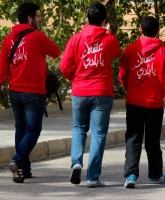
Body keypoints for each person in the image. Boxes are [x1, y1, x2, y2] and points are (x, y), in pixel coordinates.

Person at [0, 2, 60, 183]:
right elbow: (56, 51)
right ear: (29, 18)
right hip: (33, 92)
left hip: (15, 92)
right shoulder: (37, 36)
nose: (39, 18)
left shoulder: (9, 39)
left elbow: (2, 66)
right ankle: (17, 159)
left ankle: (24, 170)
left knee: (21, 129)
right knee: (33, 130)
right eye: (37, 16)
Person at [60, 2, 121, 188]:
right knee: (99, 134)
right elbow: (117, 54)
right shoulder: (109, 39)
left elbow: (64, 67)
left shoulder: (76, 39)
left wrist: (75, 78)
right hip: (102, 92)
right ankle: (93, 177)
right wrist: (109, 34)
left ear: (87, 19)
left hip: (80, 90)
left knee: (79, 128)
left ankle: (77, 162)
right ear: (104, 21)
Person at [118, 16, 165, 188]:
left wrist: (130, 90)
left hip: (134, 101)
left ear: (140, 30)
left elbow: (122, 75)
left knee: (133, 137)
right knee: (153, 140)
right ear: (158, 31)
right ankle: (155, 174)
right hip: (154, 103)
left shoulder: (129, 50)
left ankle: (130, 175)